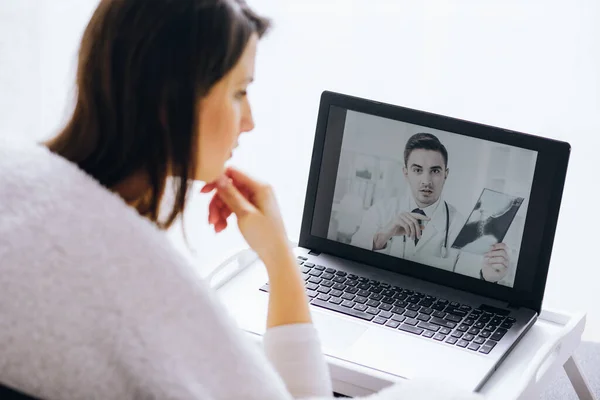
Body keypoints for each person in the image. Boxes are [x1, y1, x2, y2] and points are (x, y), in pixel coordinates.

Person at [0, 1, 484, 399]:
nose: (249, 120)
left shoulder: (15, 181)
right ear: (172, 103)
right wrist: (279, 258)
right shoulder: (152, 290)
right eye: (239, 92)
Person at [351, 133, 510, 282]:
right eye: (417, 170)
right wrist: (385, 233)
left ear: (445, 174)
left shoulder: (461, 226)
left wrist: (486, 275)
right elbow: (351, 257)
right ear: (406, 173)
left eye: (435, 171)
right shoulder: (380, 211)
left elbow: (470, 275)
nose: (426, 180)